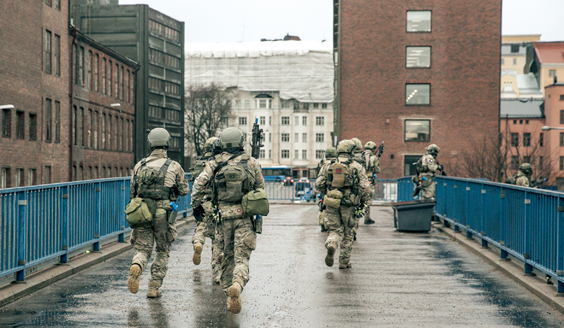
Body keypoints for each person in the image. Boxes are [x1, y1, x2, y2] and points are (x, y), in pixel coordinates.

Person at [191, 127, 265, 314]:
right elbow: (261, 190)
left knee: (226, 258)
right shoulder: (252, 163)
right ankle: (237, 286)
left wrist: (196, 206)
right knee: (241, 258)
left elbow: (199, 184)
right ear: (240, 141)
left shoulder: (215, 163)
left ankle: (227, 292)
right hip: (244, 217)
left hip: (222, 219)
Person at [127, 128, 190, 298]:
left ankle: (137, 266)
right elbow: (184, 190)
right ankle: (153, 287)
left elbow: (133, 192)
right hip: (163, 214)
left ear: (150, 144)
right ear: (166, 143)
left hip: (143, 212)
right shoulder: (174, 166)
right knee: (162, 250)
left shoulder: (139, 166)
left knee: (143, 248)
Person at [316, 139, 370, 269]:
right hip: (349, 204)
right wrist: (362, 200)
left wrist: (326, 194)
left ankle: (332, 243)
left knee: (334, 229)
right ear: (351, 151)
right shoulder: (356, 166)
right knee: (348, 233)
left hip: (331, 202)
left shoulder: (328, 165)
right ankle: (344, 262)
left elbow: (319, 183)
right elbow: (365, 187)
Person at [191, 137, 223, 284]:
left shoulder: (201, 163)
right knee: (217, 237)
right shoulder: (223, 161)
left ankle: (198, 243)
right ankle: (217, 271)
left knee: (201, 226)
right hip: (219, 204)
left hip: (205, 200)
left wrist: (195, 204)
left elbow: (195, 181)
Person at [317, 147, 337, 232]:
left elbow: (319, 181)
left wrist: (321, 189)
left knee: (323, 207)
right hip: (336, 190)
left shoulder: (324, 164)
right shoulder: (338, 163)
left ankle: (323, 224)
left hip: (325, 189)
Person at [362, 141, 382, 225]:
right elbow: (378, 170)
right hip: (369, 180)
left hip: (360, 180)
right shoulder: (373, 157)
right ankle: (366, 218)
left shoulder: (361, 155)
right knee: (368, 200)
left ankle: (357, 218)